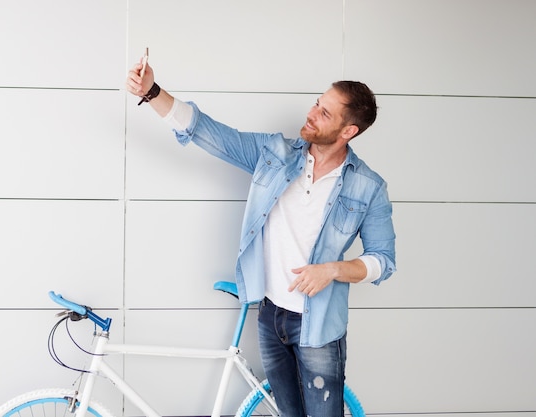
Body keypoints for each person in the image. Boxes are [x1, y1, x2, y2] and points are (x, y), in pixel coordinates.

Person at [126, 59, 396, 417]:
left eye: (325, 113)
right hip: (270, 316)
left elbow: (384, 260)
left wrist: (331, 270)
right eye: (317, 102)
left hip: (317, 326)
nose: (312, 113)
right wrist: (152, 92)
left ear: (349, 131)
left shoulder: (369, 187)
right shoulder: (275, 154)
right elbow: (210, 133)